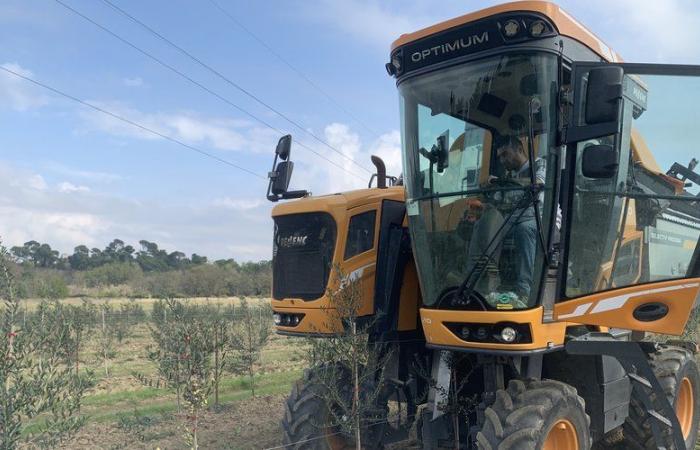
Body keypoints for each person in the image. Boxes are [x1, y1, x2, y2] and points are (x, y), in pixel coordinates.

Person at [491, 135, 545, 300]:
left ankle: (525, 289)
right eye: (499, 157)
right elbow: (498, 200)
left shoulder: (538, 164)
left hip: (538, 216)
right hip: (511, 218)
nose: (502, 160)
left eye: (505, 154)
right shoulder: (507, 175)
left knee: (525, 229)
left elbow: (539, 184)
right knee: (487, 227)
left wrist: (504, 182)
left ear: (520, 150)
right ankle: (489, 283)